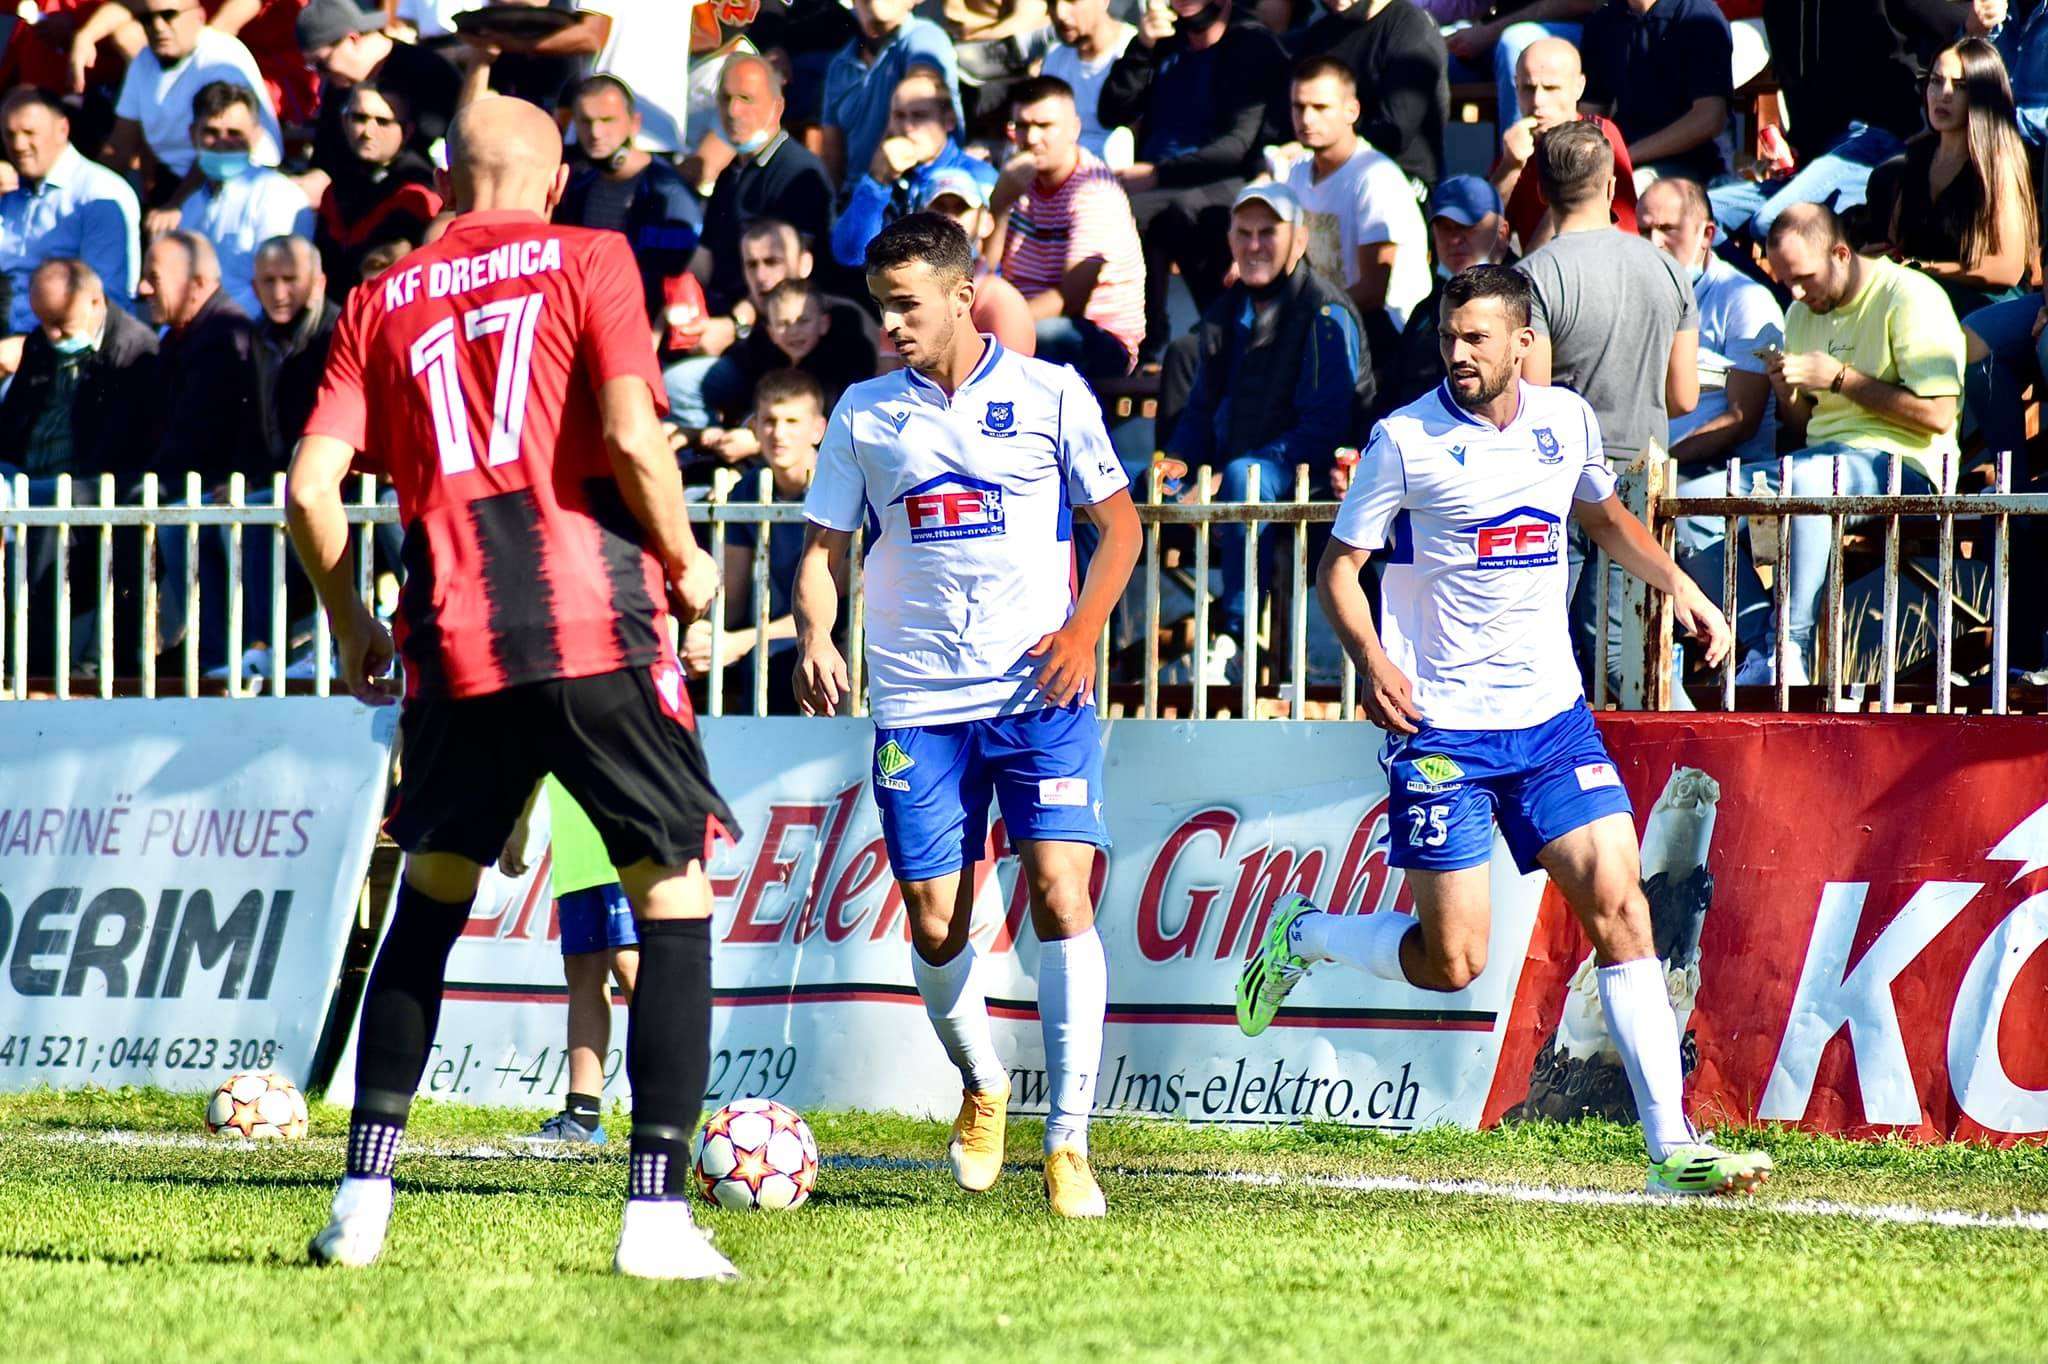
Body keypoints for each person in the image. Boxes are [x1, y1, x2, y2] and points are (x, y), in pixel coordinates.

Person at [289, 96, 737, 1280]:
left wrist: (350, 624)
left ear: (442, 184)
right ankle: (654, 1217)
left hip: (453, 640)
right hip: (594, 626)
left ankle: (361, 1199)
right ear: (550, 182)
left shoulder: (379, 298)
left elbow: (309, 489)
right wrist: (687, 557)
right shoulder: (592, 256)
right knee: (671, 898)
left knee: (427, 906)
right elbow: (633, 437)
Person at [1239, 262, 1769, 1198]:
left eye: (1477, 337)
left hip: (1552, 723)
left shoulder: (1566, 421)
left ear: (1523, 342)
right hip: (1443, 731)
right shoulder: (1405, 440)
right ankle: (1307, 934)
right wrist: (1373, 661)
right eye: (1450, 336)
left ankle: (1671, 1148)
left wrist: (1677, 584)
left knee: (1625, 908)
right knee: (1454, 961)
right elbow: (1338, 571)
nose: (1458, 352)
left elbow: (1604, 516)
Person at [793, 212, 1141, 1218]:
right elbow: (821, 551)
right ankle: (983, 1084)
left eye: (906, 304)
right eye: (880, 306)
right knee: (936, 919)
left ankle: (1068, 1139)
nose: (890, 324)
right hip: (917, 700)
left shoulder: (1050, 393)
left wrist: (1082, 631)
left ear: (962, 295)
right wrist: (816, 634)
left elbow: (1118, 527)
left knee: (1060, 893)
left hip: (1039, 690)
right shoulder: (863, 412)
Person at [1515, 121, 1697, 696]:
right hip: (1647, 472)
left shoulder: (1533, 277)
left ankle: (1692, 745)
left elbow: (1534, 401)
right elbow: (1684, 396)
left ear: (1541, 191)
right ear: (1612, 185)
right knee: (1628, 651)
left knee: (1553, 642)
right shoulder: (1668, 268)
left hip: (1564, 478)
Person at [1750, 203, 1965, 684]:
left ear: (1841, 254)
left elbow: (1938, 414)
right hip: (1821, 460)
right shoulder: (1800, 312)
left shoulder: (1909, 296)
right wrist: (1786, 391)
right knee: (1699, 503)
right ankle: (1753, 645)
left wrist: (1841, 378)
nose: (1796, 292)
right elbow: (1805, 423)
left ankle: (1789, 646)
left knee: (1806, 480)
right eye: (1785, 282)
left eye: (1803, 278)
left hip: (1906, 462)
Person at [1166, 183, 1372, 658]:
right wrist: (1176, 466)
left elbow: (1325, 428)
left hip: (1314, 478)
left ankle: (1238, 639)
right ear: (1230, 240)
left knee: (1246, 477)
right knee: (1121, 488)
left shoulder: (1326, 311)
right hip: (1238, 474)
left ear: (1299, 240)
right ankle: (1088, 643)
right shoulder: (1227, 309)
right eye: (1244, 233)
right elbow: (1199, 411)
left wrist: (1223, 478)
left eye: (1268, 233)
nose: (1254, 245)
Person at [1638, 177, 1782, 665]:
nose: (1654, 242)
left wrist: (1661, 465)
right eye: (1644, 229)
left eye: (1668, 229)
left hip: (1727, 468)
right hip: (1652, 470)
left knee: (1686, 509)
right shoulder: (1636, 295)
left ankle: (1758, 648)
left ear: (1706, 235)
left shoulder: (1743, 299)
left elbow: (1742, 417)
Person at [1098, 0, 1291, 362]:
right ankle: (1138, 343)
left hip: (1225, 175)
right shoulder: (1164, 41)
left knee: (1179, 212)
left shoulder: (1252, 43)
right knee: (1116, 211)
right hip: (1159, 178)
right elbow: (1111, 111)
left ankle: (1222, 332)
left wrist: (1158, 174)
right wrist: (1141, 49)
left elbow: (1237, 146)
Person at [685, 367, 829, 716]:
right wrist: (705, 633)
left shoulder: (837, 484)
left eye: (792, 421)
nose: (779, 433)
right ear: (754, 427)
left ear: (818, 429)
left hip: (833, 643)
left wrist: (741, 641)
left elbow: (835, 608)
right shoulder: (749, 489)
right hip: (768, 643)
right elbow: (732, 599)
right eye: (769, 421)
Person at [984, 76, 1143, 376]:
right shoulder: (1016, 180)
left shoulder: (1094, 190)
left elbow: (1071, 300)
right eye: (1022, 126)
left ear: (1074, 128)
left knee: (1040, 336)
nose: (1031, 138)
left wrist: (1001, 327)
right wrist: (1000, 205)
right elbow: (984, 268)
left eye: (1044, 126)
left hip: (1098, 336)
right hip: (1026, 318)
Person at [512, 778, 639, 1148]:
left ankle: (657, 1113)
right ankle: (582, 1118)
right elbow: (537, 755)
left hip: (633, 838)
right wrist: (520, 821)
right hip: (576, 850)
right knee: (582, 970)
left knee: (632, 967)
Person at [1870, 37, 2036, 320]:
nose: (1943, 94)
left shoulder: (1997, 163)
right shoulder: (1918, 155)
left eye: (1960, 86)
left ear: (1983, 94)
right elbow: (1898, 244)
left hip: (1983, 305)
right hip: (1919, 294)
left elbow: (2007, 269)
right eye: (1936, 81)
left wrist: (1925, 269)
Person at [1279, 56, 1430, 362]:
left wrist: (1301, 315)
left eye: (1320, 107)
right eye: (1298, 106)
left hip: (1389, 332)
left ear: (1352, 110)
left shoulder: (1375, 177)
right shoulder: (1297, 172)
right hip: (1329, 319)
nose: (1307, 119)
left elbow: (1373, 291)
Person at [555, 76, 706, 359]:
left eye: (607, 120)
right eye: (586, 122)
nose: (596, 132)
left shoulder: (667, 191)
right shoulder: (577, 187)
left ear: (634, 123)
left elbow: (674, 277)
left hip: (643, 335)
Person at [699, 54, 834, 317]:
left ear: (777, 107)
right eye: (725, 99)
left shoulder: (798, 172)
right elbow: (704, 257)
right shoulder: (731, 173)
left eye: (746, 99)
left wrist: (736, 325)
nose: (733, 111)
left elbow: (790, 273)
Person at [0, 88, 140, 337]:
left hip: (61, 340)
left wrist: (26, 347)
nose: (18, 145)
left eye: (29, 133)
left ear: (62, 129)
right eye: (9, 134)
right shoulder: (10, 194)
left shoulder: (99, 193)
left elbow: (106, 301)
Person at [831, 66, 998, 271]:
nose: (907, 127)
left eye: (919, 116)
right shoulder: (884, 173)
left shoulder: (977, 175)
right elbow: (850, 254)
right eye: (899, 116)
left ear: (949, 120)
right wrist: (877, 182)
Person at [105, 0, 281, 194]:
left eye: (169, 15)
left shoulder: (219, 55)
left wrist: (174, 205)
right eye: (146, 18)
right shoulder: (144, 60)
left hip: (241, 177)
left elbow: (217, 143)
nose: (158, 26)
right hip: (180, 179)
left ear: (198, 15)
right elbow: (121, 144)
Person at [179, 81, 314, 320]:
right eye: (211, 132)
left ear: (256, 135)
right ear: (192, 134)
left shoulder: (277, 195)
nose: (222, 142)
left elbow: (278, 291)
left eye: (234, 133)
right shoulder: (191, 206)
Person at [1489, 36, 1636, 253]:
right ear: (1516, 86)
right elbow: (1480, 240)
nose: (1537, 101)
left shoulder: (1598, 138)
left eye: (1551, 88)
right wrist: (1509, 167)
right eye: (1528, 88)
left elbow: (1625, 236)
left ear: (1579, 87)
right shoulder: (1518, 145)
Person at [1379, 174, 1506, 417]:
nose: (1454, 239)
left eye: (1467, 227)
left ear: (1502, 232)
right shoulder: (1425, 312)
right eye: (1445, 228)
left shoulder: (1521, 302)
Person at [1284, 0, 1448, 187]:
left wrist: (1315, 153)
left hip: (1395, 175)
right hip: (1317, 173)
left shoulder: (1409, 28)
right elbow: (1282, 119)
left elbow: (1394, 132)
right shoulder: (1317, 36)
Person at [1577, 0, 1733, 186]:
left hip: (1695, 168)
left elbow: (1710, 118)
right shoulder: (1605, 19)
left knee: (1628, 187)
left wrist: (1625, 157)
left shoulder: (1698, 15)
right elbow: (1592, 110)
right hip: (1625, 158)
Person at [299, 0, 463, 175]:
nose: (321, 75)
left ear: (352, 39)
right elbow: (324, 162)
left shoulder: (427, 71)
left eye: (322, 64)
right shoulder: (339, 86)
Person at [314, 84, 444, 297]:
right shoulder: (336, 186)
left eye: (383, 121)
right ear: (344, 121)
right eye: (359, 118)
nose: (367, 132)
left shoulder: (421, 195)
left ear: (407, 130)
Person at [819, 0, 964, 187]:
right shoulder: (839, 66)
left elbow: (921, 89)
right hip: (858, 196)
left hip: (920, 190)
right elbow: (832, 155)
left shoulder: (925, 36)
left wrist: (877, 177)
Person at [914, 169, 1036, 356]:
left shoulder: (998, 299)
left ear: (986, 223)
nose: (949, 218)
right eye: (939, 207)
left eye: (961, 208)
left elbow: (1011, 372)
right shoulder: (905, 292)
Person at [250, 236, 337, 481]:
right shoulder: (257, 336)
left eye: (290, 280)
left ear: (318, 284)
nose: (279, 294)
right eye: (269, 281)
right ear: (255, 288)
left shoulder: (336, 335)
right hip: (272, 477)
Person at [1041, 0, 1136, 165]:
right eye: (1052, 2)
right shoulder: (1055, 55)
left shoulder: (1138, 52)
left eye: (1072, 1)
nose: (1060, 13)